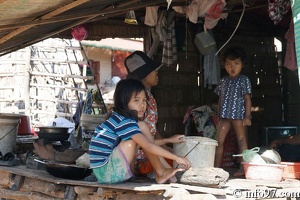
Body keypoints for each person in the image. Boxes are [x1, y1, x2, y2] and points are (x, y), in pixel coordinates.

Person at [89, 79, 191, 184]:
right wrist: (176, 158)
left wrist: (169, 140)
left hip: (106, 172)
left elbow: (147, 143)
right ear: (124, 101)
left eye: (144, 100)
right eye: (136, 100)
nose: (142, 105)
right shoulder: (124, 122)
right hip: (107, 173)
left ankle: (164, 171)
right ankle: (161, 172)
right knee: (140, 130)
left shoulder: (119, 118)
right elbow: (148, 146)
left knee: (142, 127)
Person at [124, 51, 186, 176]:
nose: (157, 72)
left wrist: (165, 147)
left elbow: (152, 129)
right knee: (180, 164)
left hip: (150, 149)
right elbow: (144, 142)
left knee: (176, 159)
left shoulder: (149, 97)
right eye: (153, 70)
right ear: (143, 75)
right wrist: (166, 147)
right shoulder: (138, 101)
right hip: (139, 156)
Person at [213, 46, 252, 176]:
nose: (232, 67)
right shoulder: (223, 81)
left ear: (242, 65)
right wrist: (219, 114)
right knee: (218, 140)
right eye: (229, 64)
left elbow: (247, 99)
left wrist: (247, 116)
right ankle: (216, 168)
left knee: (242, 140)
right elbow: (221, 98)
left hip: (239, 116)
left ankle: (243, 168)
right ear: (224, 66)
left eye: (236, 63)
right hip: (225, 116)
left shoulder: (244, 80)